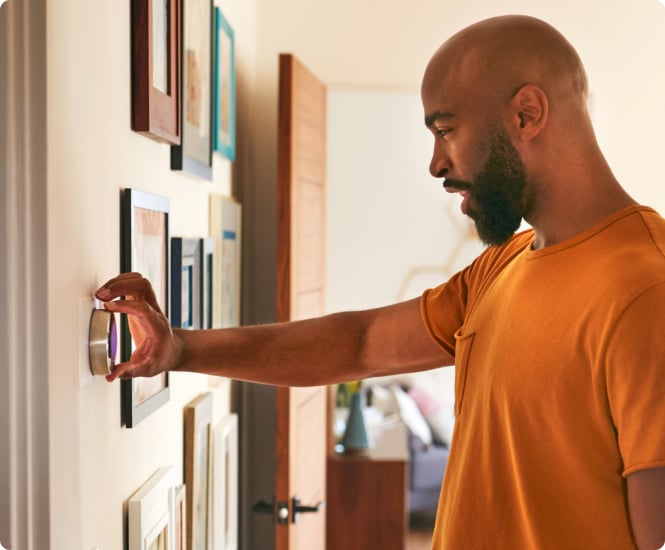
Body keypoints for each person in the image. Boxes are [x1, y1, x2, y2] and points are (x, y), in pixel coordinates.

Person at [96, 15, 665, 549]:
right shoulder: (506, 265)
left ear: (526, 115)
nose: (436, 163)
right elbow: (361, 344)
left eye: (445, 129)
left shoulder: (646, 288)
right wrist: (180, 349)